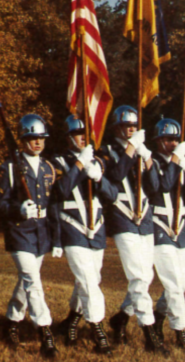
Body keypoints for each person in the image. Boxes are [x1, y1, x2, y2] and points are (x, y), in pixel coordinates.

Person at [97, 105, 166, 353]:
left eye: (134, 126)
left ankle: (121, 318)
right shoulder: (106, 152)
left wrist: (147, 157)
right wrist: (130, 149)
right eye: (127, 126)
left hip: (145, 217)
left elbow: (156, 187)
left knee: (145, 277)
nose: (131, 129)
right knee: (137, 276)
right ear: (117, 127)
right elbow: (114, 177)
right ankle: (150, 336)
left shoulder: (140, 151)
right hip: (122, 217)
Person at [51, 115, 118, 354]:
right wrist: (79, 166)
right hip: (73, 228)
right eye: (78, 134)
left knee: (89, 280)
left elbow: (112, 195)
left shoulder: (98, 161)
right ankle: (98, 332)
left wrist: (98, 176)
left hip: (96, 230)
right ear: (69, 137)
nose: (83, 138)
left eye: (86, 134)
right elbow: (60, 190)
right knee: (89, 282)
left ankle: (71, 322)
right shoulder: (59, 161)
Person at [0, 114, 59, 358]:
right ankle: (45, 332)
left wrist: (56, 239)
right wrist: (18, 209)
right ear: (23, 140)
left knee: (26, 283)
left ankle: (11, 322)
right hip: (19, 231)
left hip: (41, 232)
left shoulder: (48, 168)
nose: (37, 142)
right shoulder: (10, 167)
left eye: (41, 138)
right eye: (32, 138)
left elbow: (53, 205)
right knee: (33, 282)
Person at [149, 118, 185, 350]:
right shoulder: (153, 161)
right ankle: (180, 330)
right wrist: (176, 161)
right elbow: (163, 186)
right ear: (158, 140)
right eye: (167, 139)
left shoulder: (179, 162)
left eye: (175, 139)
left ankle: (156, 318)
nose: (171, 143)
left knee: (182, 283)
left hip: (180, 227)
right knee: (174, 283)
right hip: (160, 226)